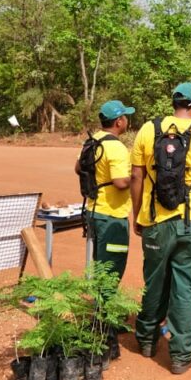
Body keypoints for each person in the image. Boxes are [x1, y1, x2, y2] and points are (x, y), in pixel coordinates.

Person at [129, 82, 191, 374]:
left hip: (154, 221)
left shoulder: (148, 130)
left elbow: (136, 176)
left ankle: (147, 340)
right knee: (187, 287)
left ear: (174, 103)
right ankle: (182, 354)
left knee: (155, 281)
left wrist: (137, 214)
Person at [75, 100, 135, 361]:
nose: (127, 122)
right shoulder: (117, 148)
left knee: (101, 267)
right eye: (126, 118)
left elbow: (78, 168)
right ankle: (104, 333)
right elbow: (122, 182)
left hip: (94, 212)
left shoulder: (91, 141)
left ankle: (103, 319)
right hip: (113, 217)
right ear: (119, 121)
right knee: (111, 273)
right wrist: (139, 176)